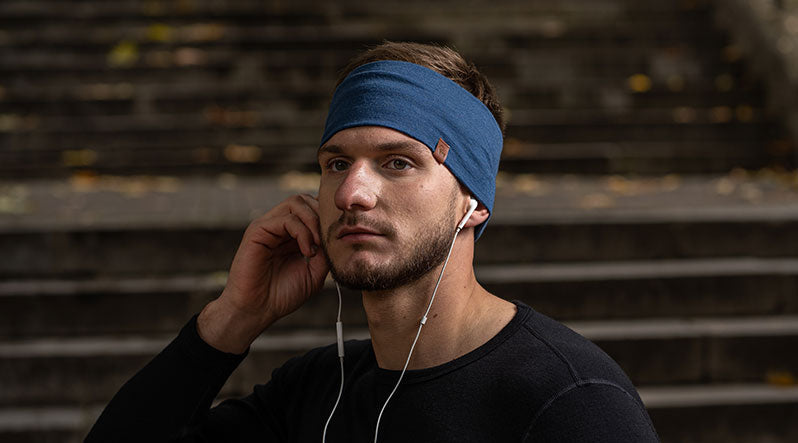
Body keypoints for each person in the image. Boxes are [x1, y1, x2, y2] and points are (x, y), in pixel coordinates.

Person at [85, 41, 659, 442]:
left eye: (397, 163)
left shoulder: (571, 400)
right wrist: (231, 319)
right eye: (337, 162)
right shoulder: (316, 392)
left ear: (473, 202)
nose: (352, 192)